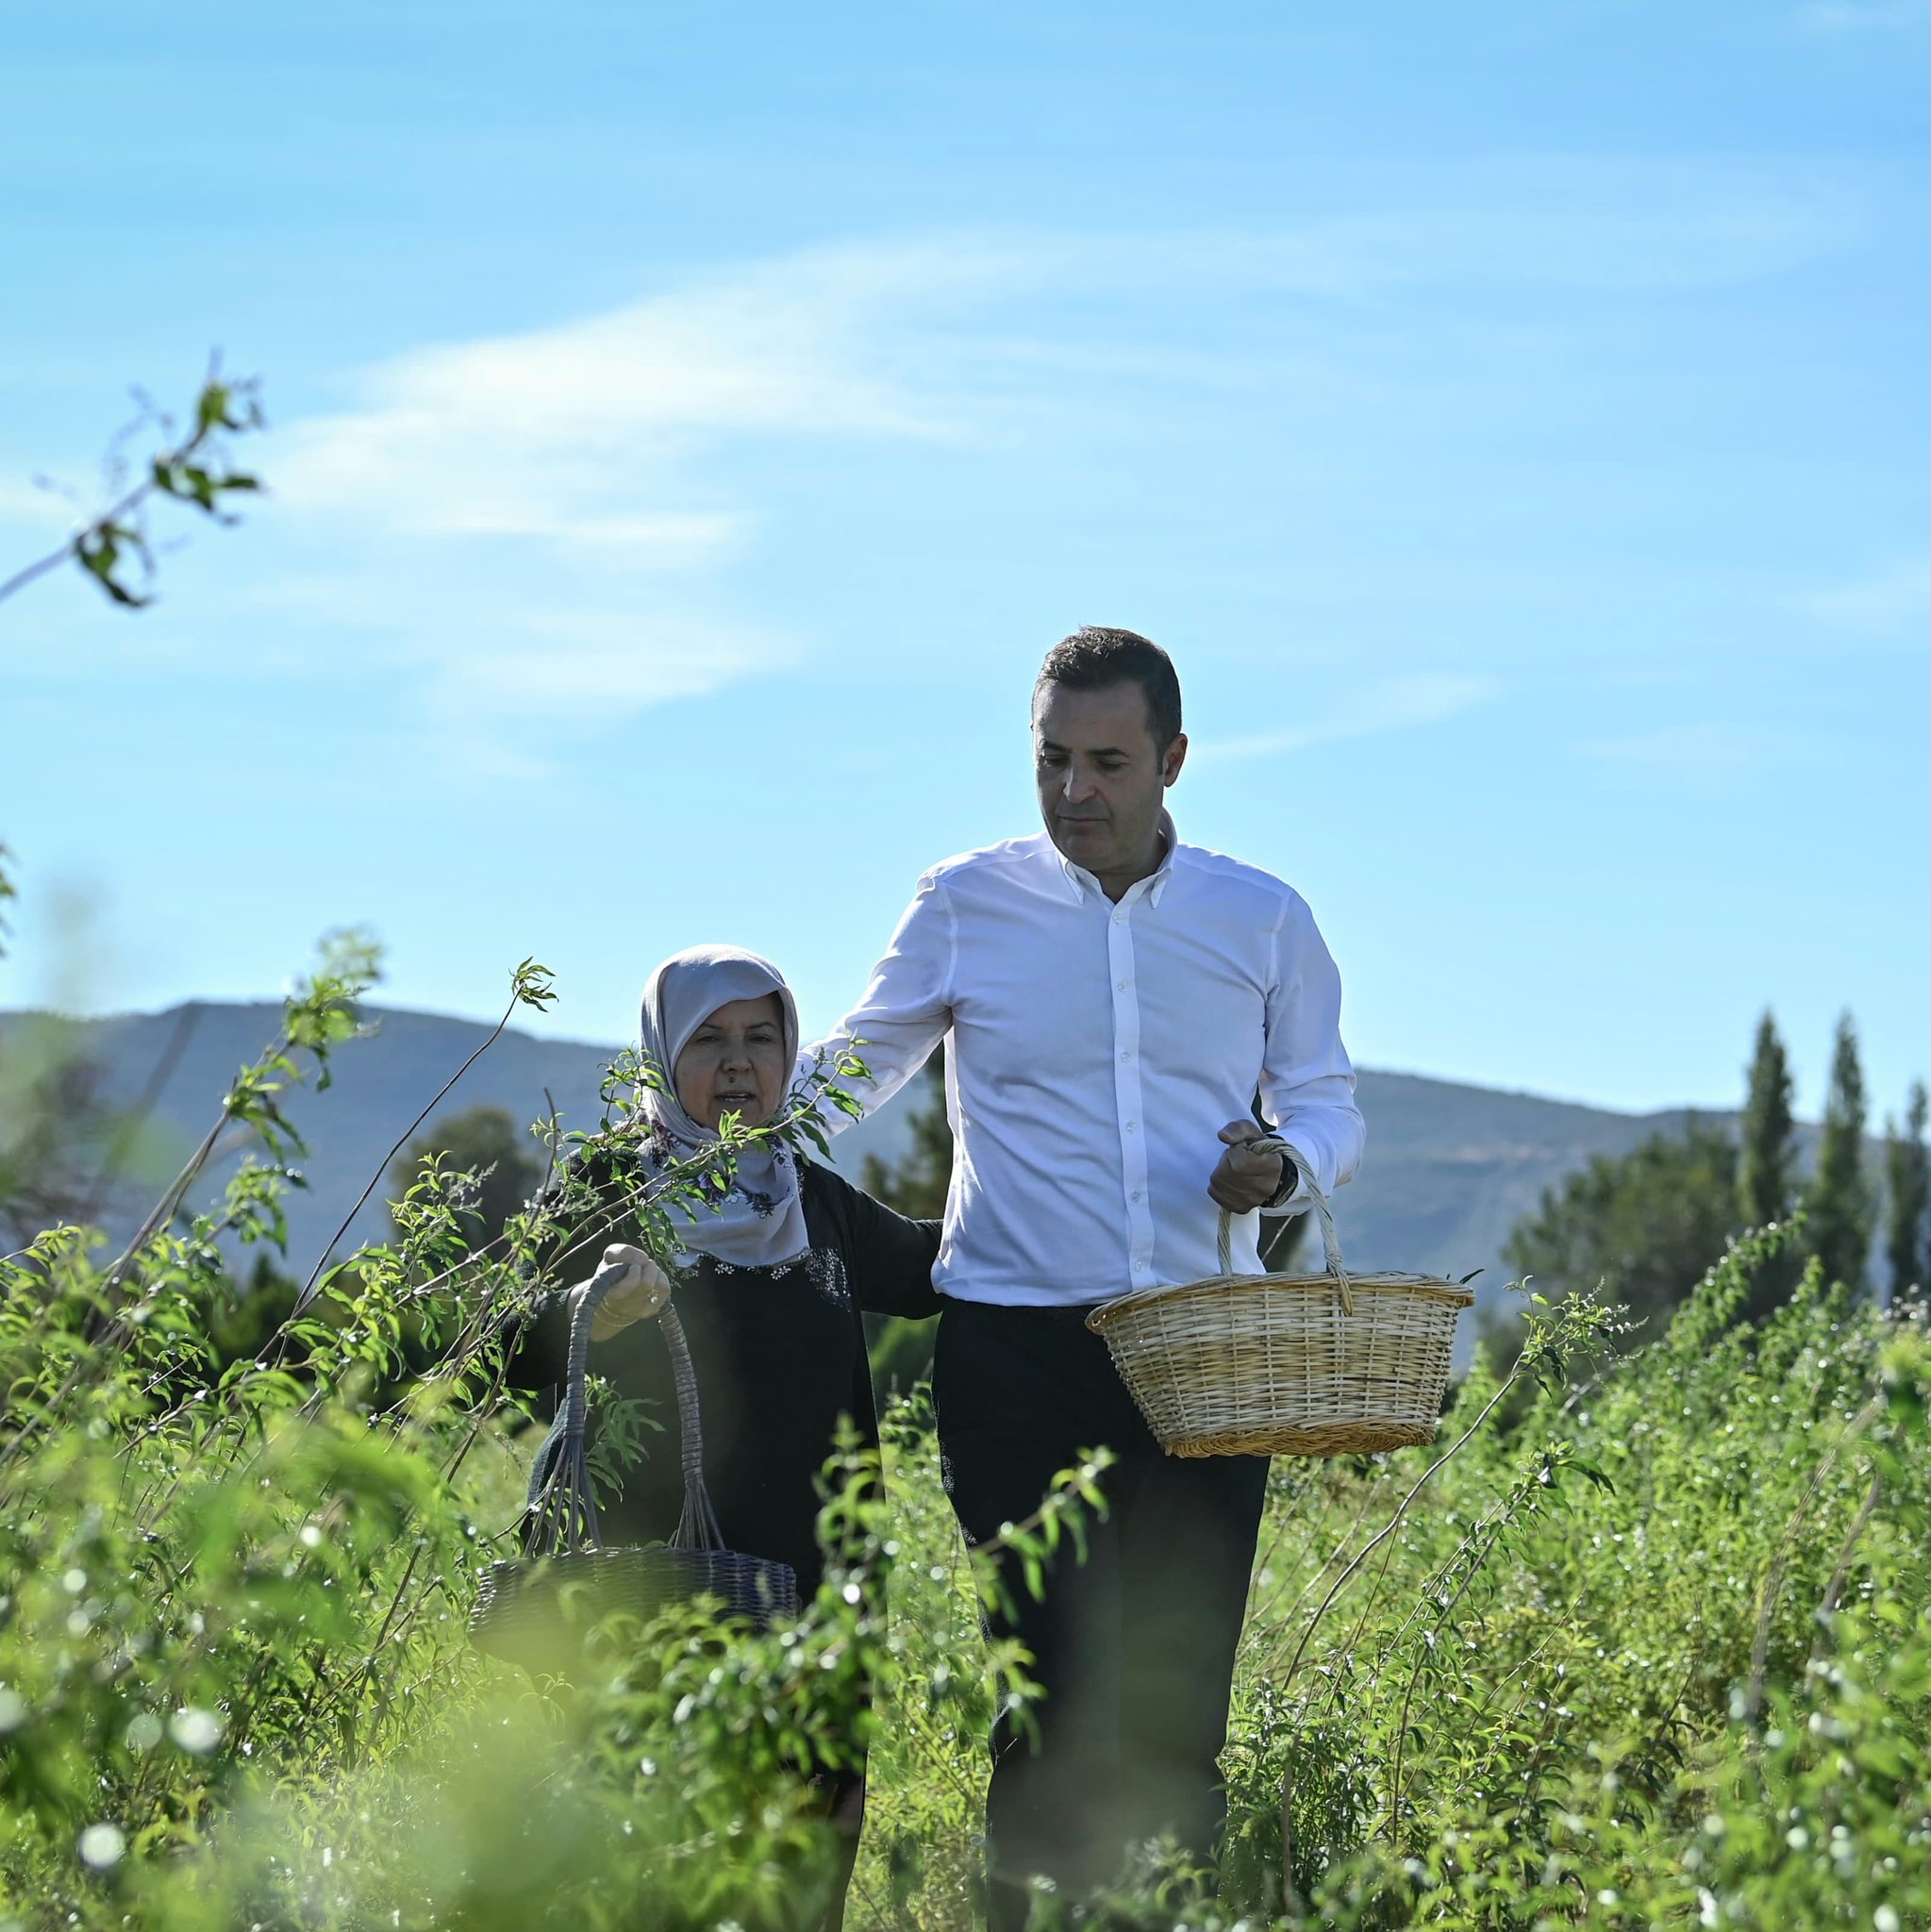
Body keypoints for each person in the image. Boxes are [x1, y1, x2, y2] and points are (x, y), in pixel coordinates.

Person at [808, 627, 1365, 1926]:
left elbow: (1327, 1097)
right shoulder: (963, 903)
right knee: (1049, 1694)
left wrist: (1280, 1167)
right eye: (1052, 760)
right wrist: (716, 1139)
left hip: (1202, 1354)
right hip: (1013, 1355)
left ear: (1171, 760)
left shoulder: (1261, 916)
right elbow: (859, 1063)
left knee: (1175, 1709)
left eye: (1106, 763)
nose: (1074, 792)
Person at [504, 943, 941, 1932]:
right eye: (710, 1037)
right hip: (645, 1597)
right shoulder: (610, 1188)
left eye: (762, 1036)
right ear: (663, 1055)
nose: (739, 1061)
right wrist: (591, 1304)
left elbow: (935, 1271)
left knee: (797, 1864)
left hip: (813, 1597)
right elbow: (502, 1345)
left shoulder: (813, 1200)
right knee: (643, 1861)